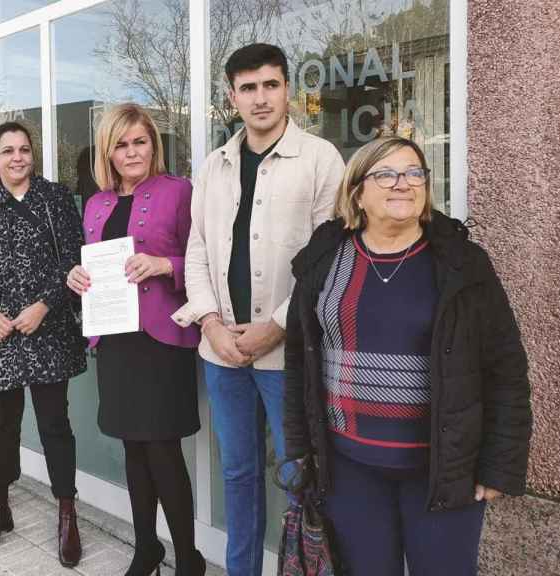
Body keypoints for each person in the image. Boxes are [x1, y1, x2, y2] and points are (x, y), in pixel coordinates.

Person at [283, 136, 533, 575]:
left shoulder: (461, 263)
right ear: (357, 192)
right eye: (386, 174)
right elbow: (300, 362)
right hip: (349, 471)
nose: (403, 183)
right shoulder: (326, 259)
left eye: (415, 173)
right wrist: (300, 448)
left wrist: (499, 466)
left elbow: (506, 367)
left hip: (440, 470)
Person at [172, 43, 344, 575]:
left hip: (287, 354)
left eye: (271, 84)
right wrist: (209, 323)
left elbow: (331, 258)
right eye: (248, 88)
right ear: (232, 96)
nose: (261, 98)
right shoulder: (215, 166)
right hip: (223, 353)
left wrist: (277, 326)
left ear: (288, 89)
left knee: (300, 479)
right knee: (238, 474)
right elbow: (197, 249)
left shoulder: (320, 159)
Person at [67, 104, 205, 576]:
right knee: (132, 448)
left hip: (161, 340)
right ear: (108, 152)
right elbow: (91, 262)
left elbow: (205, 259)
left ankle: (189, 558)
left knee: (163, 451)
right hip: (115, 339)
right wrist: (76, 276)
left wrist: (166, 265)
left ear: (153, 145)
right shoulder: (96, 203)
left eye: (139, 142)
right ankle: (147, 548)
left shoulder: (179, 191)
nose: (131, 152)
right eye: (121, 145)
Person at [0, 121, 86, 566]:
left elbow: (75, 260)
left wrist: (45, 305)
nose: (17, 157)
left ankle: (67, 514)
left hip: (48, 333)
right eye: (7, 151)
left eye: (24, 149)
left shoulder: (55, 199)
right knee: (2, 427)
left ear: (33, 154)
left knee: (55, 426)